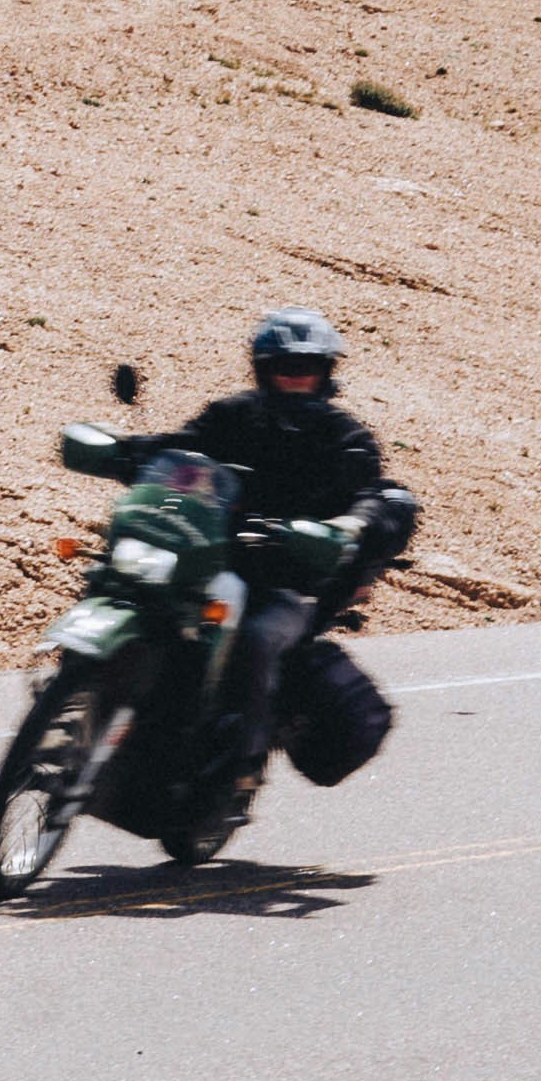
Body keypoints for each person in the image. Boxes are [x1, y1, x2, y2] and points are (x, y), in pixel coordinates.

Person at [87, 306, 417, 790]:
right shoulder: (233, 415)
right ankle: (91, 691)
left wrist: (346, 526)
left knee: (256, 636)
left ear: (325, 373)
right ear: (264, 370)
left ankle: (243, 753)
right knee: (134, 586)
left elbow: (369, 498)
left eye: (306, 369)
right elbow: (182, 448)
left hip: (288, 582)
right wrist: (126, 451)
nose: (295, 379)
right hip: (214, 556)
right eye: (285, 367)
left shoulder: (346, 439)